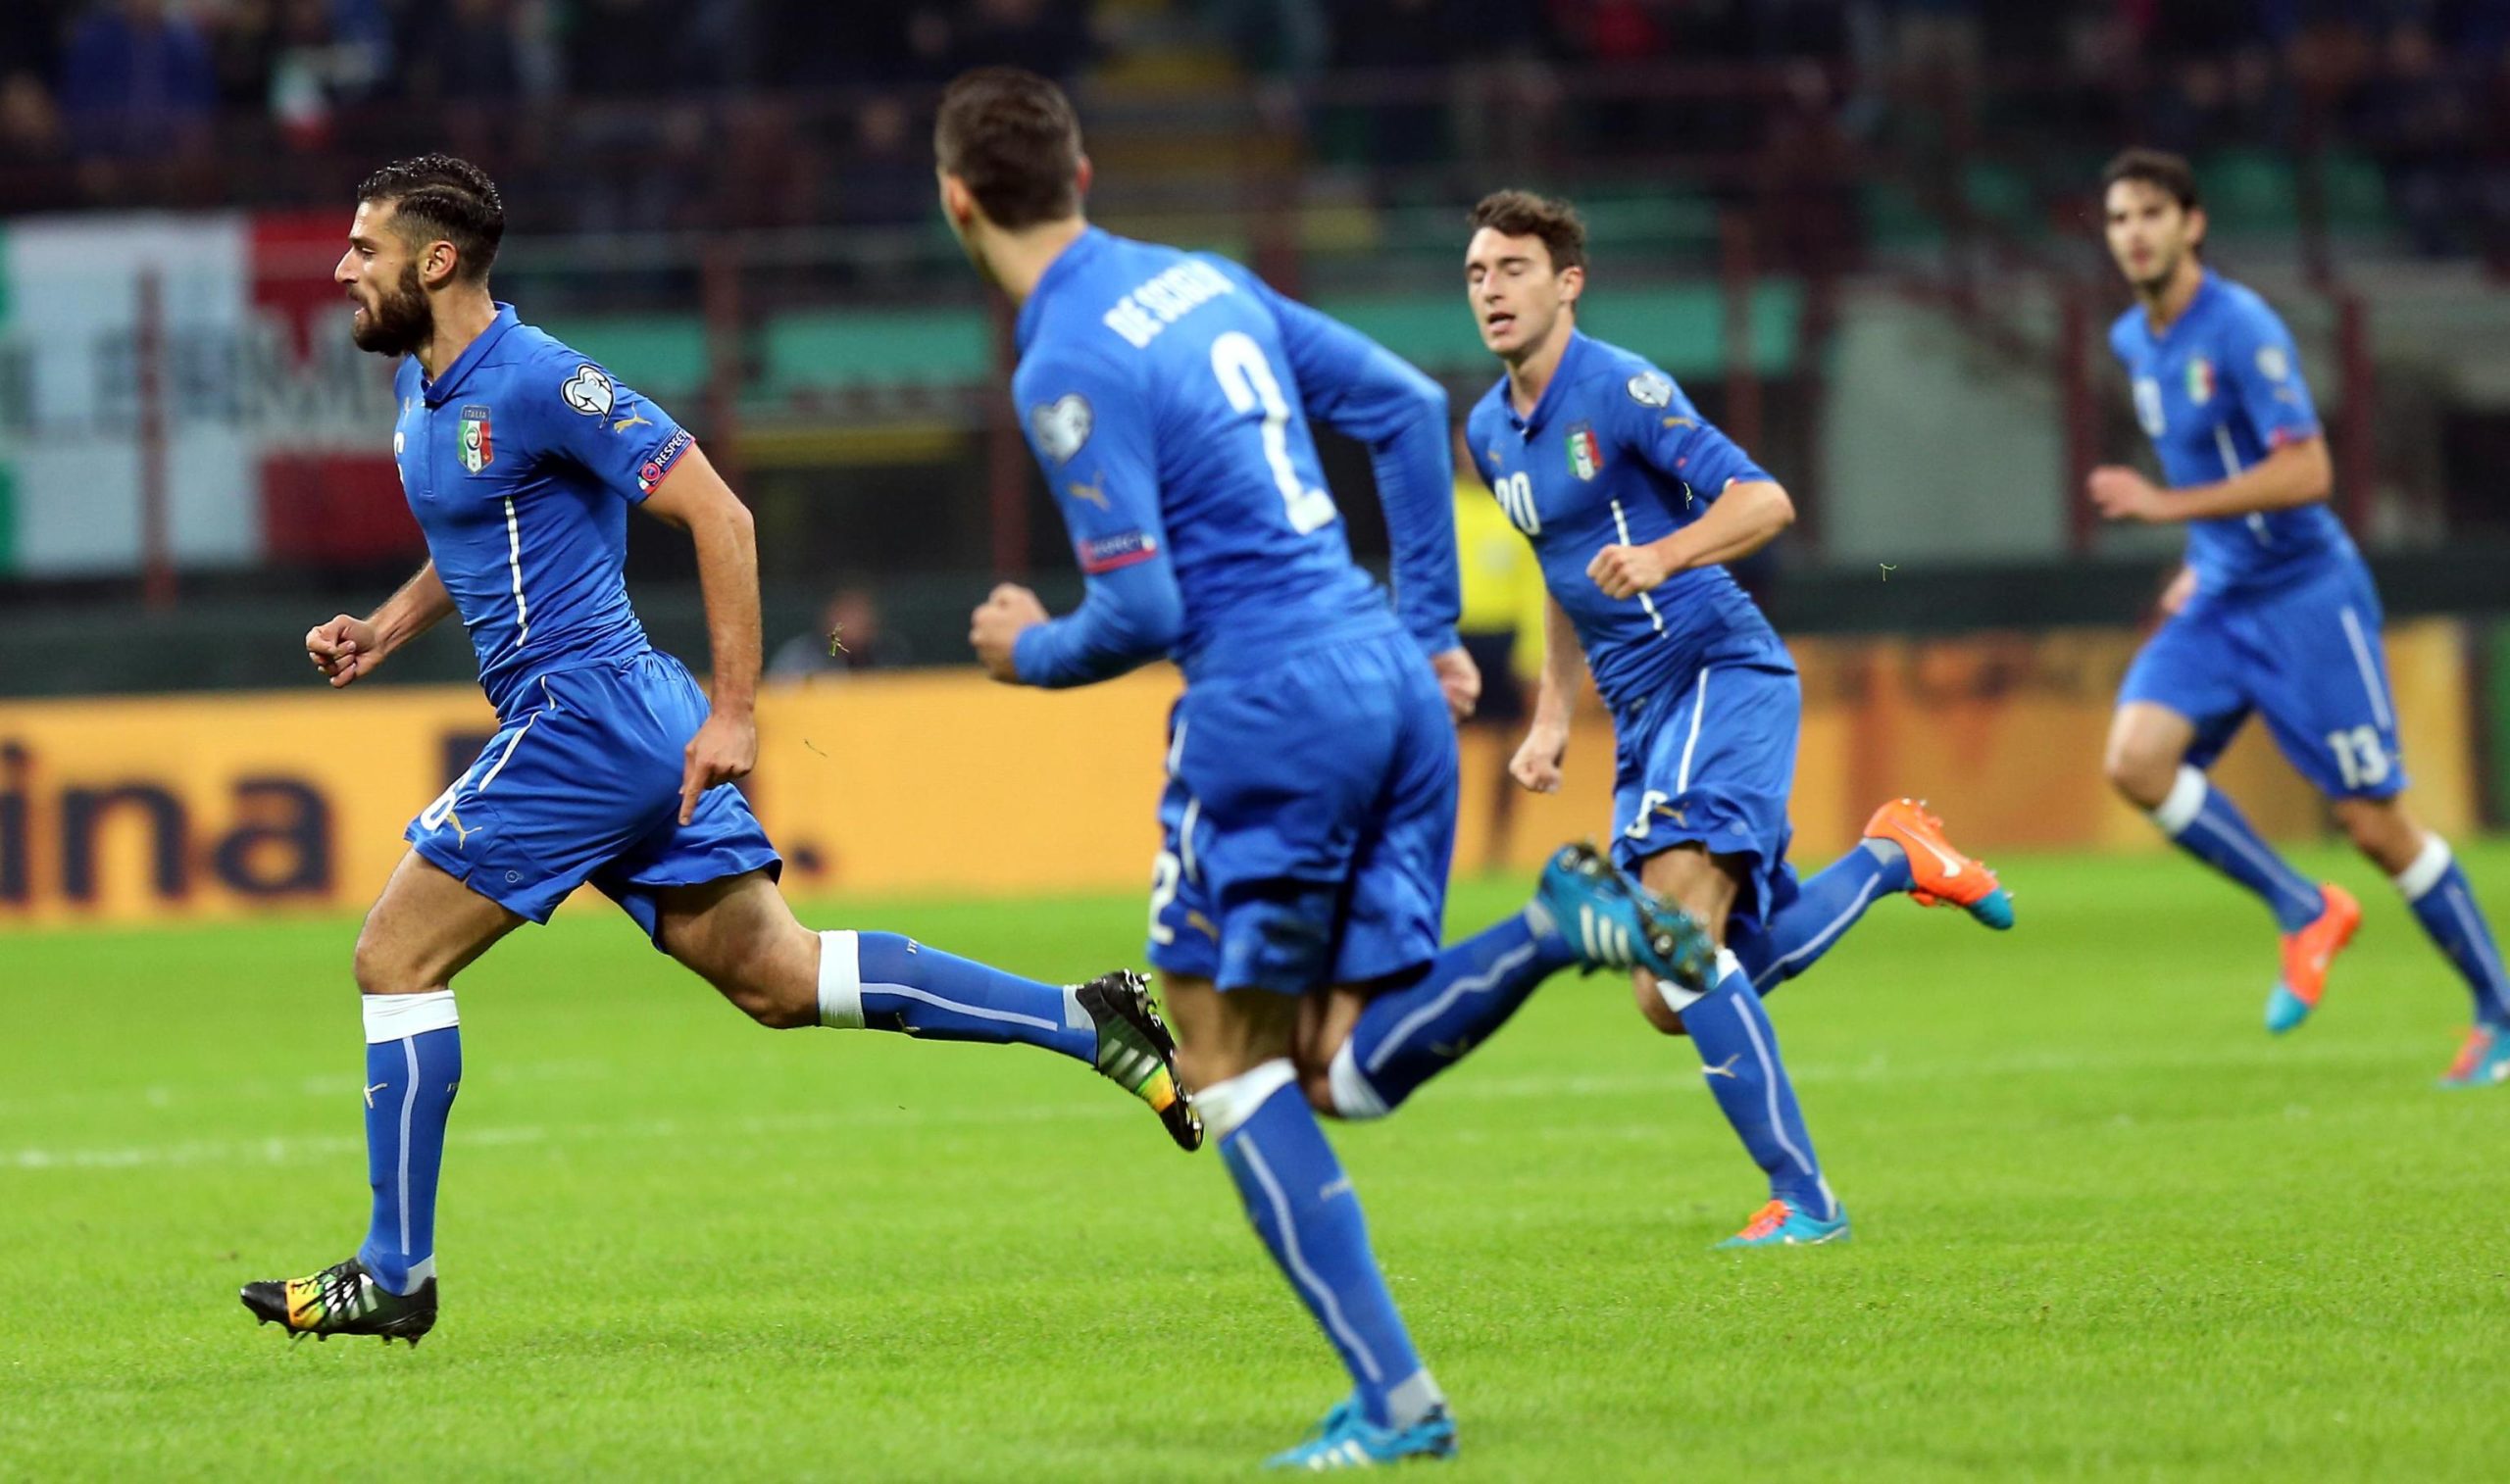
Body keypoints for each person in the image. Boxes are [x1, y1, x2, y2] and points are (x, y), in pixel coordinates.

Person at [239, 154, 1199, 1350]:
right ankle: (1086, 1018)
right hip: (612, 724)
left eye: (363, 249)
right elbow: (480, 532)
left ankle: (395, 1270)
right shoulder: (421, 388)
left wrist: (737, 709)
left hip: (585, 716)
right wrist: (385, 627)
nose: (342, 269)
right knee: (780, 979)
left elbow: (719, 512)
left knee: (393, 958)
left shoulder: (542, 381)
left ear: (435, 263)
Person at [940, 70, 1708, 1469]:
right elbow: (1407, 406)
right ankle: (1548, 929)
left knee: (1222, 1062)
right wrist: (1428, 631)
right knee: (1338, 1062)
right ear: (1084, 175)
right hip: (1384, 681)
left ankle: (1401, 1400)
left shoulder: (1062, 363)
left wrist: (1028, 649)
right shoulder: (1203, 279)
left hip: (1267, 711)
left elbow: (1144, 609)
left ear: (956, 203)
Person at [1456, 188, 2017, 1248]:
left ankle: (1804, 1198)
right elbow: (1561, 572)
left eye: (1514, 269)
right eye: (1478, 273)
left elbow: (1764, 500)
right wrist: (1550, 718)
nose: (1492, 289)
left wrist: (1663, 555)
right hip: (1639, 712)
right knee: (1663, 993)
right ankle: (1890, 858)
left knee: (1677, 946)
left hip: (1715, 666)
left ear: (1568, 284)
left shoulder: (1621, 387)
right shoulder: (1489, 430)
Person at [2088, 147, 2509, 1088]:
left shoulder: (2241, 327)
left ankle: (2502, 1011)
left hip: (2305, 595)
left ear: (2193, 223)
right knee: (2136, 762)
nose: (2135, 233)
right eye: (2119, 218)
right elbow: (2216, 470)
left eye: (2152, 213)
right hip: (2222, 594)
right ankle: (2301, 907)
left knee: (2374, 824)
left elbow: (2308, 472)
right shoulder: (2133, 341)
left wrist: (2165, 510)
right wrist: (2198, 560)